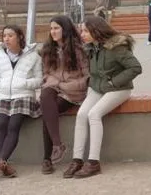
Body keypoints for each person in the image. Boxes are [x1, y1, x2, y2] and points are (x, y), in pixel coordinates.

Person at [64, 15, 143, 179]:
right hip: (97, 88)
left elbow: (135, 67)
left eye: (86, 31)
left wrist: (114, 82)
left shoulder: (117, 47)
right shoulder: (92, 48)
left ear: (96, 31)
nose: (82, 34)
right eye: (81, 31)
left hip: (118, 89)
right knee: (81, 115)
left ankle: (93, 162)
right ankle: (77, 160)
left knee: (94, 114)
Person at [0, 24, 43, 178]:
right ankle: (3, 164)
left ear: (20, 37)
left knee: (14, 124)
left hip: (24, 95)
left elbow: (39, 79)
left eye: (10, 35)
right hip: (3, 95)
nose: (6, 39)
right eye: (4, 35)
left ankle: (2, 161)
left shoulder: (33, 56)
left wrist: (25, 84)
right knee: (1, 124)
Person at [40, 16, 89, 174]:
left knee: (47, 112)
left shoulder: (78, 50)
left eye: (56, 28)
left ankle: (47, 158)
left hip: (73, 91)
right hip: (55, 89)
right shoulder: (48, 49)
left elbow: (86, 77)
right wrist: (55, 83)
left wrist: (62, 85)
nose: (53, 32)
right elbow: (46, 74)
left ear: (65, 29)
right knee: (46, 97)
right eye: (51, 28)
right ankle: (57, 145)